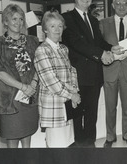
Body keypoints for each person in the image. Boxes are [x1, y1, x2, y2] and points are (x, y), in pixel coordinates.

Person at [61, 0, 122, 147]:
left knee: (92, 112)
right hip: (77, 74)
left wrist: (111, 48)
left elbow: (99, 42)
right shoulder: (66, 18)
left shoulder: (94, 21)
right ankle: (80, 143)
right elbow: (76, 43)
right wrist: (102, 54)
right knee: (78, 113)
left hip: (94, 74)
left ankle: (90, 142)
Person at [34, 10, 81, 148]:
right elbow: (52, 82)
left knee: (67, 142)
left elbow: (72, 71)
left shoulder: (63, 48)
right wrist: (71, 95)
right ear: (45, 29)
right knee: (56, 144)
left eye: (60, 26)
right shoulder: (42, 50)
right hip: (53, 104)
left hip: (66, 103)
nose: (57, 29)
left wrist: (75, 90)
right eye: (52, 26)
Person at [0, 4, 39, 148]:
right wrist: (23, 87)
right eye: (14, 19)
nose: (18, 22)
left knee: (27, 134)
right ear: (5, 21)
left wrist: (33, 84)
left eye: (21, 19)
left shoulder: (32, 41)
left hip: (30, 95)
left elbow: (39, 65)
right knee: (12, 136)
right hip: (10, 98)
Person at [99, 0, 127, 148]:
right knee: (110, 106)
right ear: (113, 5)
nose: (121, 6)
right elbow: (100, 46)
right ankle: (110, 136)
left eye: (124, 3)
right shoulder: (103, 23)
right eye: (118, 3)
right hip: (110, 70)